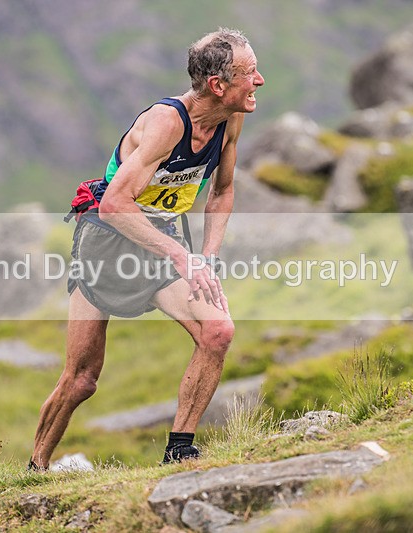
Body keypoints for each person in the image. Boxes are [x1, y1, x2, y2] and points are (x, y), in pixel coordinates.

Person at [29, 28, 264, 469]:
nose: (260, 81)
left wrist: (207, 257)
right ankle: (36, 467)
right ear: (218, 85)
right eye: (251, 73)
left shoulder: (232, 117)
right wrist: (181, 255)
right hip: (107, 241)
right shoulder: (166, 123)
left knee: (218, 331)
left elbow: (223, 190)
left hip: (163, 239)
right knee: (82, 380)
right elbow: (115, 204)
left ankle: (179, 450)